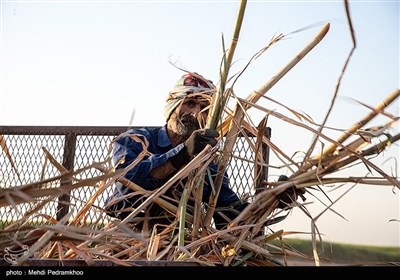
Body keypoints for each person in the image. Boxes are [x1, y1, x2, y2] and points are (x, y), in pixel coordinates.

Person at [104, 71, 303, 231]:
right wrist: (184, 154)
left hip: (175, 248)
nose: (196, 113)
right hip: (124, 241)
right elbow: (130, 181)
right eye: (190, 103)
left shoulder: (208, 164)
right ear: (173, 105)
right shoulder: (135, 140)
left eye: (205, 107)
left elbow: (230, 215)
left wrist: (273, 201)